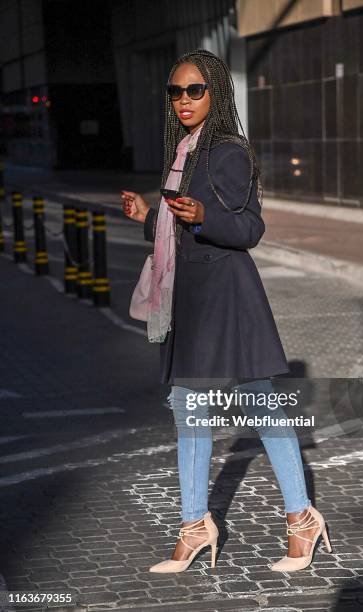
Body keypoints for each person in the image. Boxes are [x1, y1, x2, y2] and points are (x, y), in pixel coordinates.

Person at [121, 49, 332, 574]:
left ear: (215, 92)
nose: (184, 101)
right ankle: (196, 525)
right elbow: (178, 228)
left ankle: (302, 519)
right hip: (191, 302)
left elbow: (249, 229)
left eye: (195, 90)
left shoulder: (226, 151)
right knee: (187, 411)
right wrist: (150, 215)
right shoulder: (184, 150)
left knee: (262, 409)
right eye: (175, 92)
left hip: (226, 300)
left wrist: (205, 216)